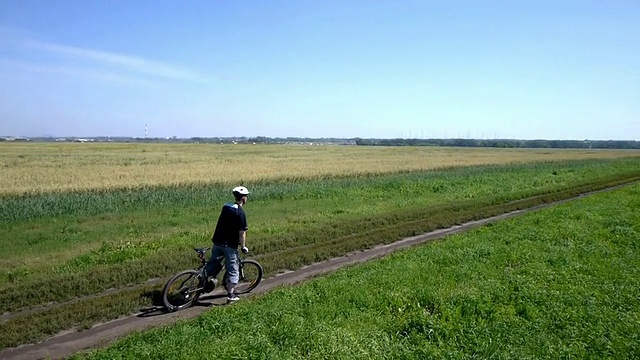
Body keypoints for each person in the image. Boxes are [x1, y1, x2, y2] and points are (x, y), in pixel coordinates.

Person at [204, 186, 250, 302]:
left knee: (213, 263)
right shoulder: (241, 213)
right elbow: (242, 233)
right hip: (229, 245)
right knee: (233, 270)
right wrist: (243, 246)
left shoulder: (226, 206)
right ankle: (231, 295)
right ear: (243, 198)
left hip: (217, 241)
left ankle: (204, 281)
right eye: (246, 196)